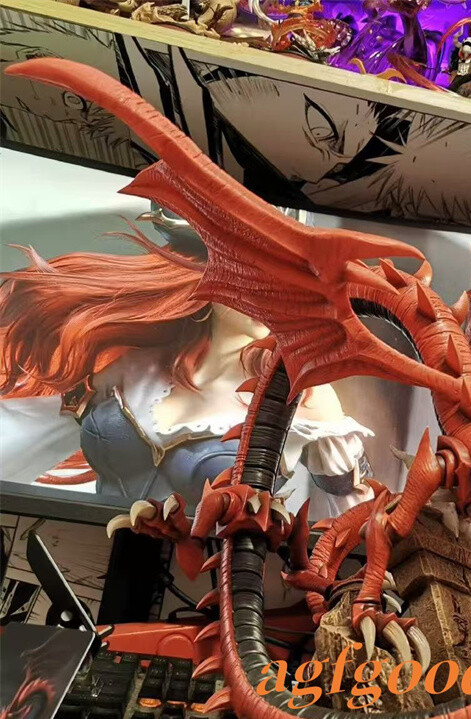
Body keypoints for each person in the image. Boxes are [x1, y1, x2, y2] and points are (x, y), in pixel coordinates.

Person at [0, 212, 373, 516]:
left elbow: (353, 522)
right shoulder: (134, 366)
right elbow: (27, 435)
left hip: (205, 579)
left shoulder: (304, 395)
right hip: (93, 557)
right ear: (212, 277)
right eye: (256, 277)